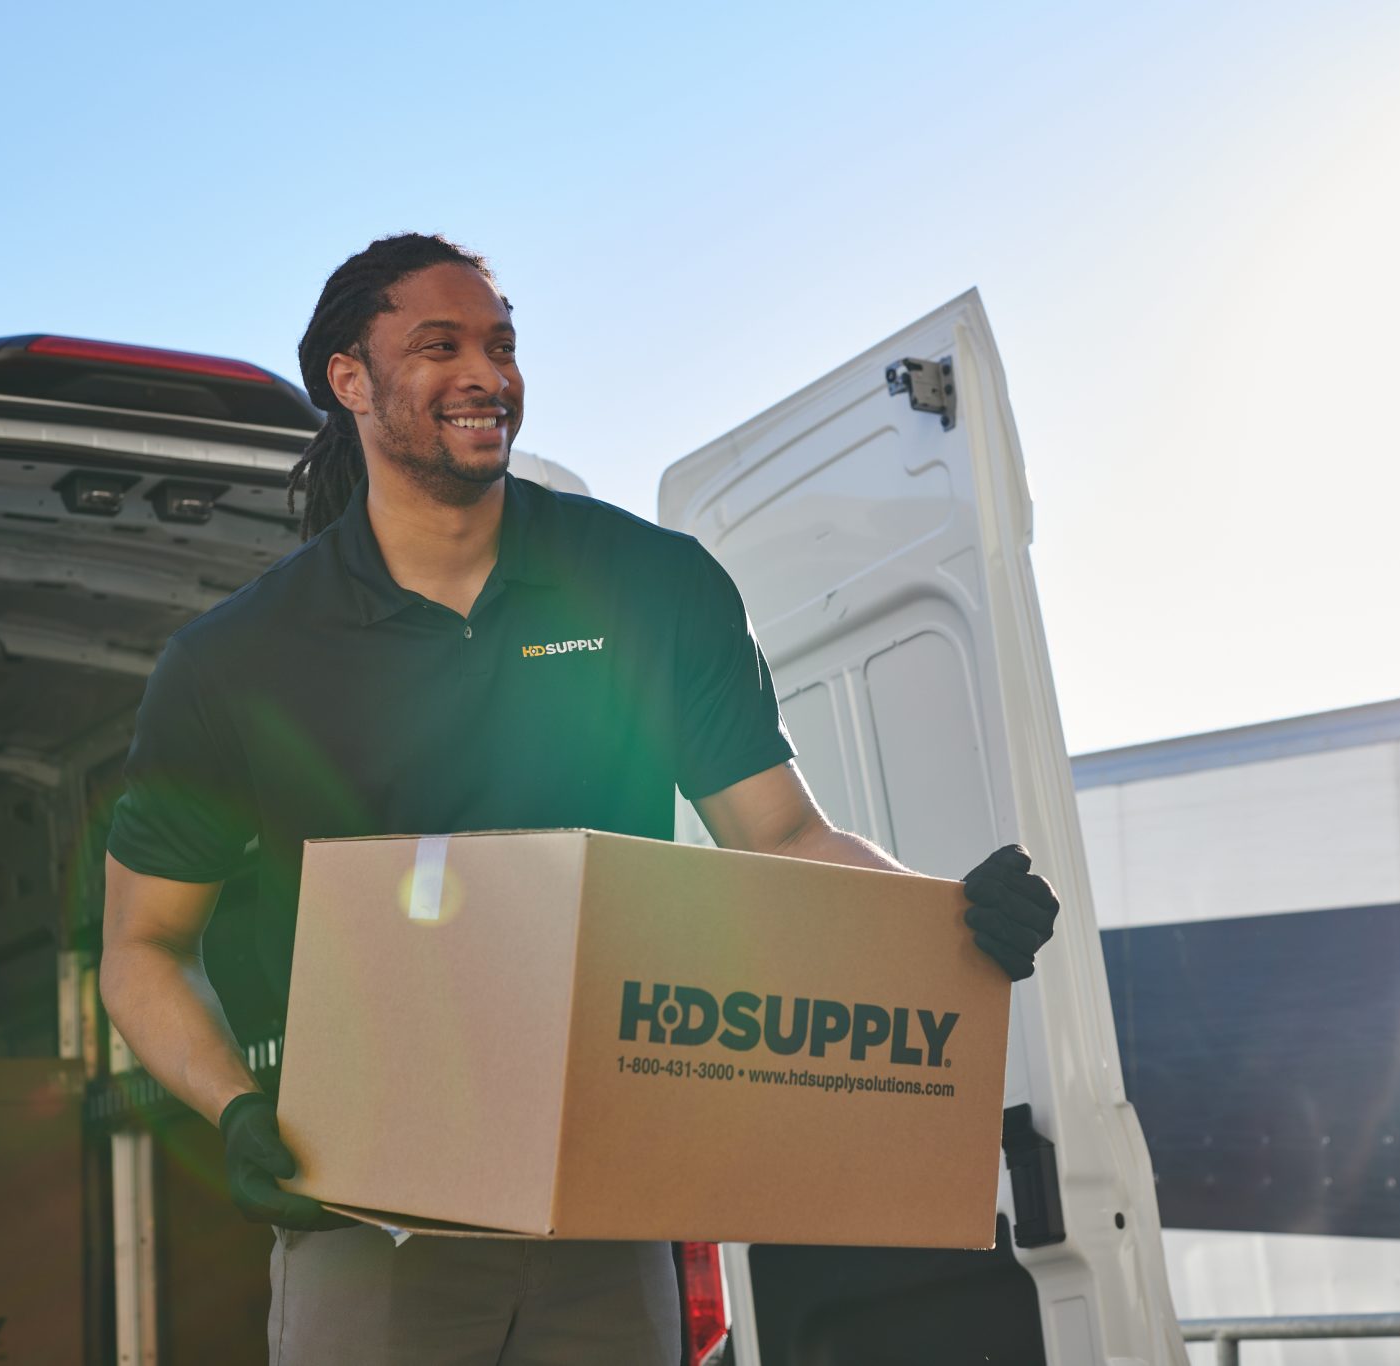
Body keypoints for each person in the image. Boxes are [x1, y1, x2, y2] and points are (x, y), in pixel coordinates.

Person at [97, 232, 1060, 1365]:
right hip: (368, 1213)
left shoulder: (650, 586)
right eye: (438, 345)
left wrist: (945, 922)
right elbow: (143, 947)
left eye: (500, 345)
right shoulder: (240, 660)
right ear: (349, 381)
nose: (485, 374)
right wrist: (238, 1113)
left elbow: (783, 833)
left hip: (606, 1199)